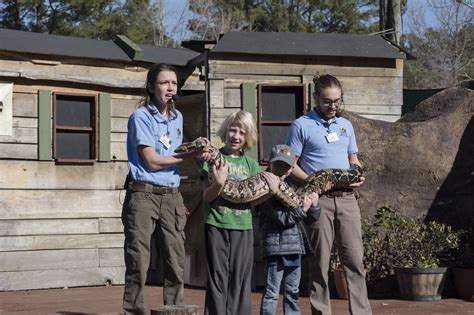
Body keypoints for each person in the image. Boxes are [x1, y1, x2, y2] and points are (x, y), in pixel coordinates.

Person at [122, 63, 209, 314]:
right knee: (138, 259)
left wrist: (201, 152)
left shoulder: (178, 117)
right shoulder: (141, 117)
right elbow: (152, 160)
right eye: (164, 83)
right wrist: (192, 153)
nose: (170, 88)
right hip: (144, 194)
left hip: (171, 195)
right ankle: (134, 311)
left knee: (175, 258)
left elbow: (175, 152)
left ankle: (175, 309)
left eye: (173, 83)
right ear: (151, 87)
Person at [286, 74, 372, 315]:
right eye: (327, 101)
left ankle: (362, 312)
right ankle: (321, 312)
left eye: (337, 101)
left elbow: (353, 159)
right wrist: (316, 182)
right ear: (315, 98)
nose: (333, 106)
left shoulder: (346, 126)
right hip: (318, 200)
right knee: (320, 262)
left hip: (347, 199)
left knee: (355, 261)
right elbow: (290, 165)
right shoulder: (301, 125)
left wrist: (358, 174)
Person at [201, 110, 278, 315]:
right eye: (233, 130)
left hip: (243, 226)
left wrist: (271, 191)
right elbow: (206, 197)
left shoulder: (251, 165)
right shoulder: (213, 159)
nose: (236, 136)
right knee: (218, 278)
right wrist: (218, 183)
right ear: (225, 131)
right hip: (216, 223)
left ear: (248, 137)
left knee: (241, 278)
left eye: (242, 132)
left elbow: (252, 202)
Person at [258, 144, 322, 315]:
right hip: (275, 249)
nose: (282, 169)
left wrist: (314, 205)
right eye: (278, 164)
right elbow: (283, 219)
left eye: (286, 165)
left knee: (293, 293)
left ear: (292, 168)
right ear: (270, 164)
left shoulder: (294, 187)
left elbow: (312, 218)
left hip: (294, 248)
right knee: (272, 292)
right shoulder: (266, 190)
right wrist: (303, 209)